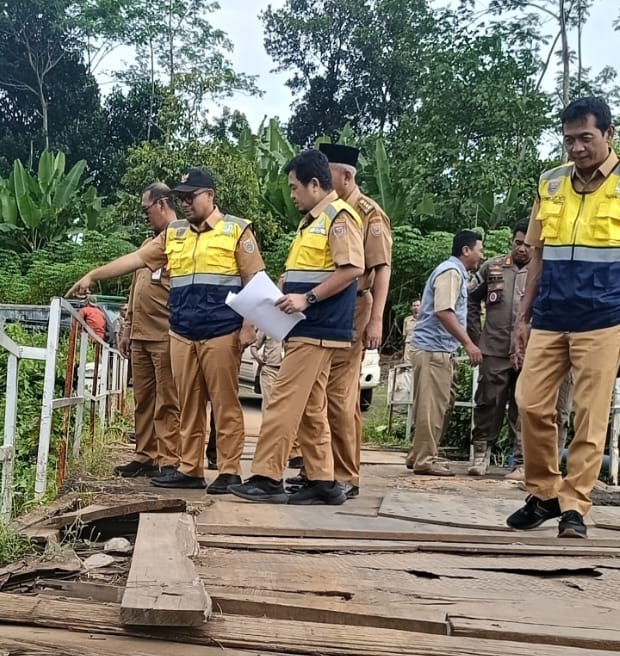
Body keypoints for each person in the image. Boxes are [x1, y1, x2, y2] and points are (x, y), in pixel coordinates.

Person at [509, 95, 620, 539]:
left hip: (605, 318)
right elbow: (538, 254)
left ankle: (575, 505)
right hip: (550, 315)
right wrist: (523, 317)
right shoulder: (549, 183)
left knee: (590, 413)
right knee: (530, 402)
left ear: (609, 133)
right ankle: (545, 492)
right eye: (569, 140)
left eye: (586, 137)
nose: (577, 148)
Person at [68, 167, 262, 494]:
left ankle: (230, 471)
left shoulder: (236, 230)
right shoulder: (174, 234)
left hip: (221, 332)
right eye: (181, 198)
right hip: (183, 333)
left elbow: (255, 280)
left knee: (225, 403)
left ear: (211, 196)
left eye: (191, 196)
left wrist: (248, 327)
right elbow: (136, 259)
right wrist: (94, 275)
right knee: (188, 405)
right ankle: (191, 468)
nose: (185, 203)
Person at [230, 149, 365, 505]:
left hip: (317, 326)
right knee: (310, 406)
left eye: (294, 188)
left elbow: (352, 268)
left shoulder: (338, 217)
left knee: (282, 402)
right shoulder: (312, 222)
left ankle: (267, 476)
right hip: (306, 327)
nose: (292, 196)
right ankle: (323, 479)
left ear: (315, 184)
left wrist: (308, 299)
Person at [308, 142, 392, 498]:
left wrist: (376, 320)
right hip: (325, 308)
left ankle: (345, 475)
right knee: (321, 393)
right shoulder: (326, 211)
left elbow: (382, 268)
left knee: (341, 395)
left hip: (354, 306)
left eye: (330, 173)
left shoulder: (368, 212)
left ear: (345, 175)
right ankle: (323, 470)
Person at [466, 220, 574, 480]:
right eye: (518, 243)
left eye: (528, 244)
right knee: (488, 402)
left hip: (531, 352)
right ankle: (481, 456)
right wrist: (476, 337)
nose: (522, 249)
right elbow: (470, 300)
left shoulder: (544, 271)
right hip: (494, 348)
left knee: (525, 406)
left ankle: (521, 461)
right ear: (511, 243)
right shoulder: (492, 267)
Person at [114, 184, 183, 478]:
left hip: (165, 334)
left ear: (163, 204)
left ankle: (169, 459)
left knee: (168, 401)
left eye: (147, 209)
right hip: (141, 335)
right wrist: (127, 328)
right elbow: (135, 289)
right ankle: (145, 454)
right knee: (143, 399)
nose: (145, 216)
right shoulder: (147, 243)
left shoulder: (180, 239)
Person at [405, 232, 485, 476]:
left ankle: (419, 454)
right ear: (466, 250)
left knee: (440, 405)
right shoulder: (451, 272)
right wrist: (469, 344)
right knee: (432, 407)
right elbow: (443, 311)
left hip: (440, 349)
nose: (482, 254)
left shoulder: (457, 273)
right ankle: (425, 460)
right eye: (480, 249)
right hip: (433, 350)